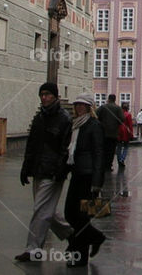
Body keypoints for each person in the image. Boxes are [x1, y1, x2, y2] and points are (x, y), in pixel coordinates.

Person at [17, 82, 73, 262]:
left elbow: (65, 147)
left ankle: (33, 249)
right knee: (47, 211)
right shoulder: (40, 117)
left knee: (40, 209)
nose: (44, 97)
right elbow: (32, 144)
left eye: (48, 94)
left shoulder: (64, 118)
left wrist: (60, 169)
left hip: (53, 171)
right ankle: (73, 233)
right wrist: (26, 167)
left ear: (55, 96)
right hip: (38, 169)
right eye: (42, 94)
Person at [62, 93, 107, 267]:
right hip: (77, 173)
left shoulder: (94, 125)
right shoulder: (75, 125)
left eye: (82, 105)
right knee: (71, 214)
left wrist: (97, 181)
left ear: (89, 108)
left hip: (87, 176)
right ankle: (93, 240)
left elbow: (98, 153)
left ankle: (80, 255)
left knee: (80, 217)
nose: (79, 108)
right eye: (77, 105)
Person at [97, 94, 124, 172]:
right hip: (114, 133)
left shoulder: (103, 107)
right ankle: (108, 165)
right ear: (115, 99)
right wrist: (116, 124)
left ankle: (102, 164)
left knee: (103, 149)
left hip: (103, 132)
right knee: (111, 150)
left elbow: (96, 115)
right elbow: (122, 119)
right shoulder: (118, 108)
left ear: (108, 99)